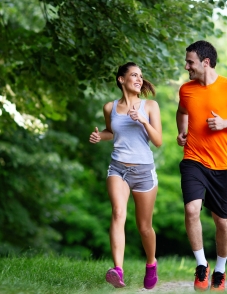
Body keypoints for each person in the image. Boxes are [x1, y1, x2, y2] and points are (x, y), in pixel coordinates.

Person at [176, 40, 227, 292]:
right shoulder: (186, 90)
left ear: (205, 62)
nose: (186, 66)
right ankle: (202, 265)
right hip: (194, 160)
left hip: (222, 166)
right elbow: (182, 112)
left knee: (222, 221)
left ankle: (220, 269)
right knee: (192, 210)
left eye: (190, 62)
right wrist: (182, 130)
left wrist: (224, 124)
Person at [89, 62, 162, 290]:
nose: (139, 79)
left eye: (140, 75)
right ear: (121, 79)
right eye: (133, 75)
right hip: (118, 168)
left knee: (144, 227)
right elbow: (112, 131)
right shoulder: (109, 107)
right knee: (118, 212)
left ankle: (151, 263)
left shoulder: (150, 106)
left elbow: (158, 141)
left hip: (144, 171)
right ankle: (117, 269)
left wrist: (142, 120)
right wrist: (100, 136)